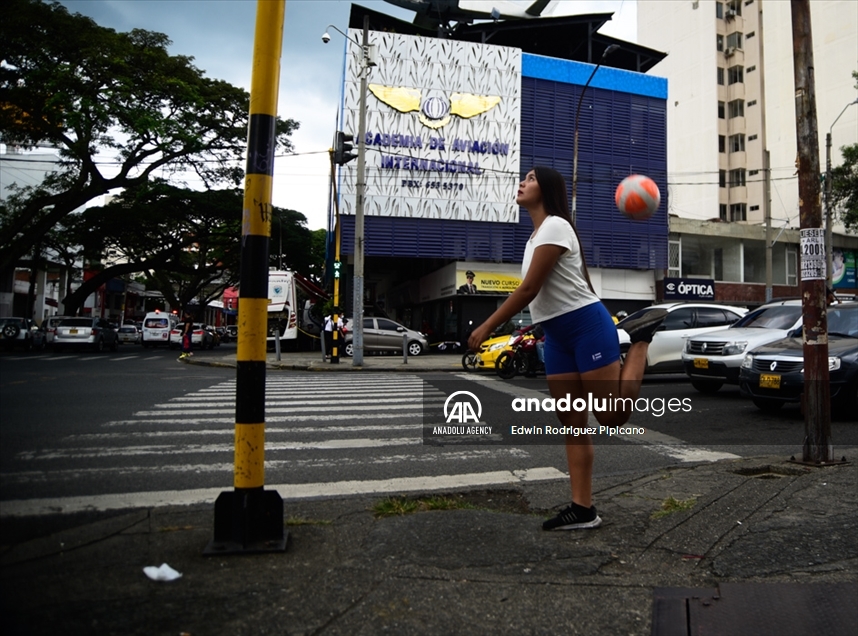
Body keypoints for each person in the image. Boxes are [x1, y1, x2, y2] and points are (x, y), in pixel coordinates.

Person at [468, 167, 667, 532]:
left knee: (611, 417)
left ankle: (640, 340)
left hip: (586, 327)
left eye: (529, 177)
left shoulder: (557, 225)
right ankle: (583, 508)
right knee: (573, 423)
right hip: (556, 336)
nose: (522, 182)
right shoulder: (534, 239)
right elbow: (550, 294)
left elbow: (528, 290)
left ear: (546, 188)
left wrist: (486, 325)